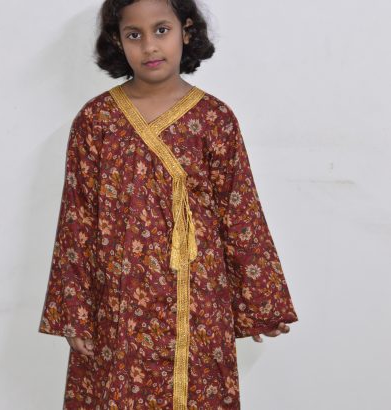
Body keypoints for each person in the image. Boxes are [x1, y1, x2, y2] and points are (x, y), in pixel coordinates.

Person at [38, 0, 299, 408]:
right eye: (134, 35)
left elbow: (239, 211)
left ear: (187, 31)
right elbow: (77, 220)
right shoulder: (96, 120)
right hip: (119, 302)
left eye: (161, 30)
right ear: (117, 41)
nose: (149, 46)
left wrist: (261, 303)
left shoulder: (214, 118)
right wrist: (75, 312)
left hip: (198, 299)